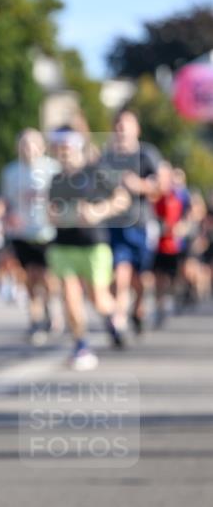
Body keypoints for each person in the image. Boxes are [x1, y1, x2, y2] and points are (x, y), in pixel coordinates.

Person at [47, 127, 129, 370]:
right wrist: (55, 216)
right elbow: (51, 211)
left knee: (99, 299)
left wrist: (98, 211)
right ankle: (81, 344)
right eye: (59, 149)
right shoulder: (56, 179)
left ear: (77, 147)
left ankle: (113, 318)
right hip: (64, 245)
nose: (63, 153)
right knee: (70, 295)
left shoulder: (97, 172)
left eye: (67, 148)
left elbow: (122, 199)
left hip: (94, 244)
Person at [101, 109, 161, 339]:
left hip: (142, 224)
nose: (121, 130)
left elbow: (160, 186)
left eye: (125, 125)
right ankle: (119, 318)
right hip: (115, 225)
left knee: (142, 278)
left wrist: (139, 185)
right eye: (117, 126)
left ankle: (137, 308)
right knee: (120, 270)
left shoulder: (147, 154)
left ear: (137, 129)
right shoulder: (107, 157)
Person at [0, 128, 61, 344]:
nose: (28, 149)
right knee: (28, 277)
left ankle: (50, 308)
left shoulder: (53, 169)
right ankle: (35, 319)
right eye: (24, 144)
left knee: (47, 277)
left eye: (33, 144)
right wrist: (7, 219)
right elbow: (6, 202)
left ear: (42, 146)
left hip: (47, 232)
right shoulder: (10, 172)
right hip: (22, 232)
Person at [151, 162, 188, 326]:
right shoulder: (154, 197)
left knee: (172, 277)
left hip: (174, 245)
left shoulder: (180, 197)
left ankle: (173, 297)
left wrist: (182, 228)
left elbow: (188, 216)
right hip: (157, 244)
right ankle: (160, 306)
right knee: (158, 277)